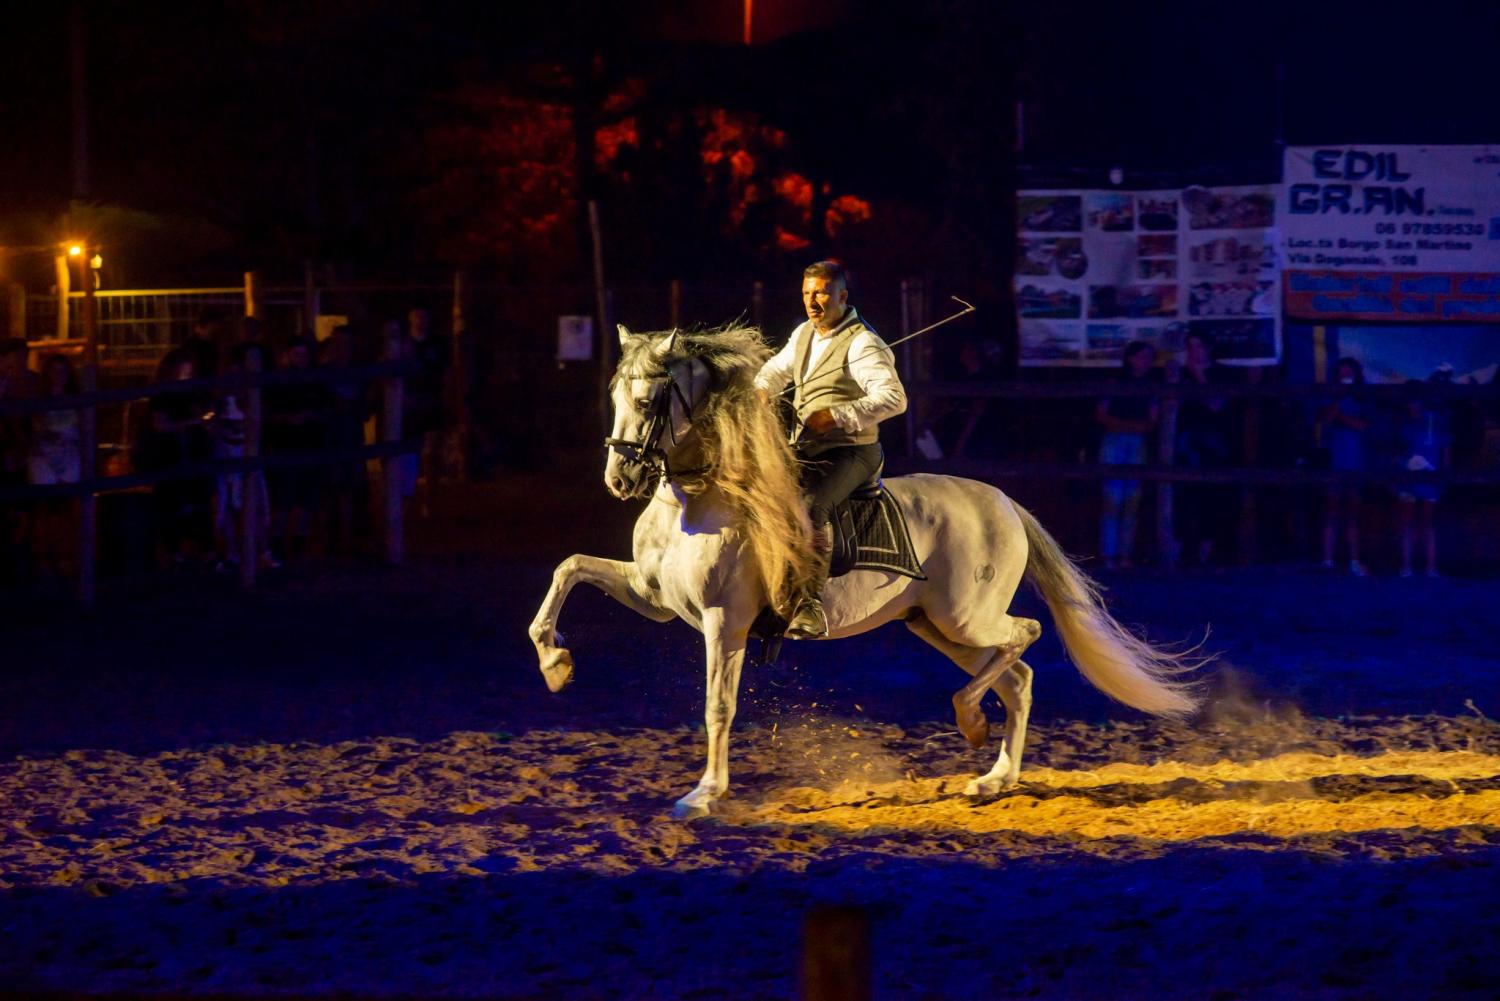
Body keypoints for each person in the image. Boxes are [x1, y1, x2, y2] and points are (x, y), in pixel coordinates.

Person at [753, 260, 907, 638]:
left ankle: (810, 603)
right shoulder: (804, 333)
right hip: (808, 446)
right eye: (807, 293)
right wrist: (759, 391)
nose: (813, 301)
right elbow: (775, 372)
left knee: (810, 505)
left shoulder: (862, 342)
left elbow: (894, 398)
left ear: (842, 296)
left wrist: (838, 415)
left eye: (821, 292)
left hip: (852, 451)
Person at [1172, 332, 1234, 565]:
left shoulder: (1221, 373)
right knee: (1182, 499)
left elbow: (1216, 406)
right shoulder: (1179, 373)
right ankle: (1178, 553)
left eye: (1197, 346)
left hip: (1212, 446)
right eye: (1189, 346)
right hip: (1184, 445)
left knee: (1210, 500)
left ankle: (1204, 556)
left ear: (1208, 348)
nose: (1193, 351)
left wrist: (1199, 375)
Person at [1095, 341, 1159, 570]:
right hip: (1115, 441)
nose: (1146, 361)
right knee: (1112, 501)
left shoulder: (1152, 386)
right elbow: (1101, 414)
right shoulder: (1115, 382)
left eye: (1149, 357)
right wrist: (1129, 426)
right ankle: (1109, 556)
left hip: (1135, 442)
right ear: (1130, 358)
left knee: (1131, 502)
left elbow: (1153, 420)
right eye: (1142, 356)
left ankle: (1124, 556)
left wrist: (1132, 428)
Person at [27, 354, 82, 578]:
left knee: (68, 508)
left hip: (69, 453)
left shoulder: (77, 399)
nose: (58, 376)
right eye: (53, 371)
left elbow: (84, 430)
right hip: (44, 455)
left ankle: (66, 557)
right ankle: (44, 559)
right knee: (44, 509)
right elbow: (37, 429)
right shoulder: (39, 400)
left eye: (62, 371)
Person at [1395, 379, 1450, 578]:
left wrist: (1443, 474)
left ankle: (1430, 566)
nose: (1413, 404)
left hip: (1430, 474)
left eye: (1416, 400)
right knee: (1407, 519)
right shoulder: (1402, 422)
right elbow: (1396, 449)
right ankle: (1406, 566)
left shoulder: (1435, 421)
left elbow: (1445, 448)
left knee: (1428, 521)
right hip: (1407, 475)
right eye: (1410, 400)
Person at [1320, 356, 1369, 575]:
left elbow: (1363, 425)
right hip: (1335, 459)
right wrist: (1338, 401)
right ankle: (1328, 560)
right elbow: (1326, 421)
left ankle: (1354, 560)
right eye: (1342, 372)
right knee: (1331, 510)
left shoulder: (1363, 398)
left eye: (1349, 372)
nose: (1345, 375)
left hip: (1356, 460)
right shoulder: (1331, 396)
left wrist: (1342, 416)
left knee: (1353, 513)